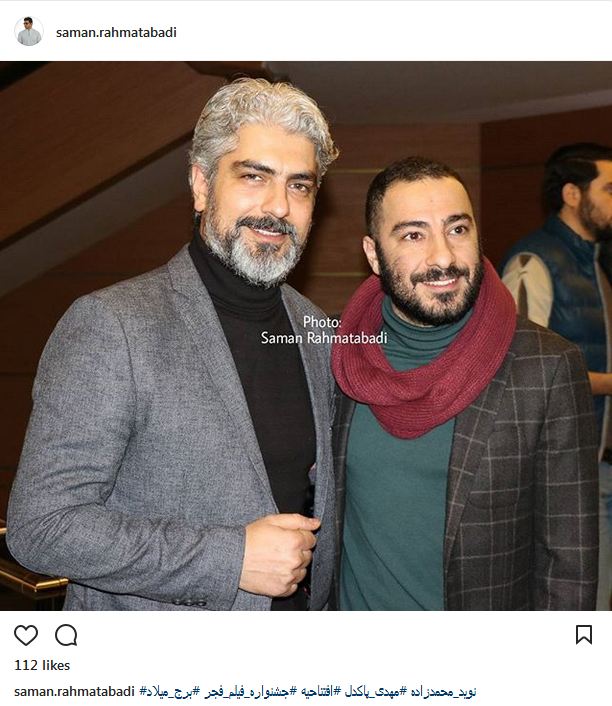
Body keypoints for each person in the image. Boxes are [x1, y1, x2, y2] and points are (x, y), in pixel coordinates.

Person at [7, 78, 339, 611]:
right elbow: (42, 526)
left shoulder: (317, 330)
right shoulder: (112, 324)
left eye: (299, 186)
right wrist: (230, 558)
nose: (278, 206)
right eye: (254, 177)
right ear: (202, 185)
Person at [331, 156, 599, 610]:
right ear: (373, 255)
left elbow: (569, 563)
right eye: (413, 235)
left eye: (457, 229)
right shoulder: (339, 353)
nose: (443, 257)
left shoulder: (546, 367)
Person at [499, 143, 612, 610]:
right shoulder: (534, 261)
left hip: (600, 461)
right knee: (583, 609)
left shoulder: (598, 262)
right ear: (572, 194)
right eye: (610, 189)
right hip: (568, 470)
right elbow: (526, 369)